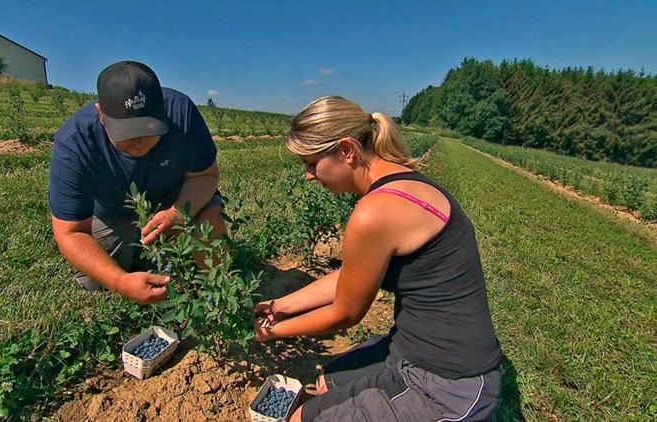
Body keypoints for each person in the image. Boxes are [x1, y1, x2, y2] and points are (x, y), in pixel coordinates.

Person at [254, 96, 502, 421]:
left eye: (311, 163)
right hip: (413, 349)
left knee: (301, 418)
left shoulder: (374, 212)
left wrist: (270, 333)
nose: (308, 175)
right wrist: (280, 306)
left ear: (346, 150)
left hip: (449, 383)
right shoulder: (404, 181)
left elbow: (346, 313)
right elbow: (350, 277)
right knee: (325, 383)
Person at [48, 60, 225, 305]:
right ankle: (137, 259)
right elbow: (70, 232)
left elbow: (205, 176)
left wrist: (177, 214)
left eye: (150, 128)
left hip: (177, 200)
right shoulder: (75, 143)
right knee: (95, 281)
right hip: (114, 212)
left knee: (210, 229)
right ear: (101, 114)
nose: (141, 141)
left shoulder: (181, 111)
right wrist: (120, 282)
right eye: (128, 132)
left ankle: (215, 293)